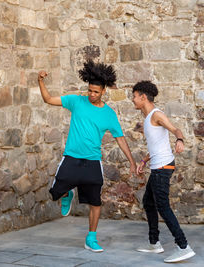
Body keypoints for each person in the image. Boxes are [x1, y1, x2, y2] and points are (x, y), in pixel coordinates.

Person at [38, 60, 137, 253]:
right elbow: (48, 99)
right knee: (55, 192)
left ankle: (91, 238)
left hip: (93, 161)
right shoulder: (76, 101)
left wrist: (132, 162)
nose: (91, 94)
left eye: (95, 92)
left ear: (103, 92)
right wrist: (40, 81)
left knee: (95, 201)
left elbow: (121, 139)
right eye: (89, 90)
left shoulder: (109, 114)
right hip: (71, 158)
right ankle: (67, 193)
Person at [132, 81, 195, 263]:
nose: (133, 100)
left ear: (143, 97)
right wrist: (143, 161)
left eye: (135, 96)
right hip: (158, 165)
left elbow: (175, 129)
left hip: (162, 167)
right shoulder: (148, 118)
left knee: (163, 206)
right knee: (149, 202)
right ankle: (154, 243)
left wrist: (180, 139)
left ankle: (183, 246)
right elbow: (156, 145)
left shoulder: (156, 114)